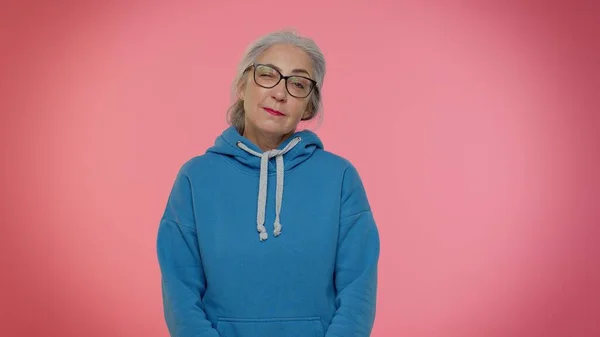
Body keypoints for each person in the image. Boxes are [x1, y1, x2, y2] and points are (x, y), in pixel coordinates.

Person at [156, 29, 380, 337]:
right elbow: (180, 293)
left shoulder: (340, 178)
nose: (280, 93)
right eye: (267, 75)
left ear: (309, 106)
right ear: (242, 85)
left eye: (298, 83)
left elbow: (358, 290)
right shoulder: (195, 178)